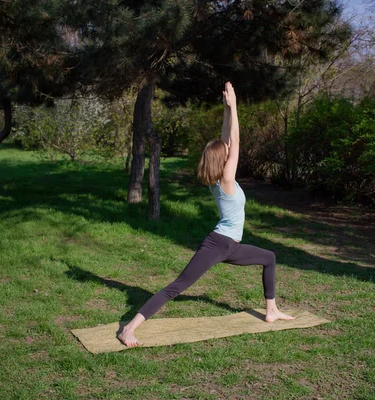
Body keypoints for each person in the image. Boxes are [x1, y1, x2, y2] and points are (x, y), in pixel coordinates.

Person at [118, 82, 295, 347]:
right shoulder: (225, 178)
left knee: (269, 257)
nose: (228, 150)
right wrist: (234, 106)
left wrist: (226, 109)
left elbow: (226, 139)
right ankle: (129, 328)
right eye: (226, 153)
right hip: (218, 244)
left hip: (231, 245)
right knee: (177, 286)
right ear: (223, 161)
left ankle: (271, 311)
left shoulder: (217, 175)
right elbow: (235, 140)